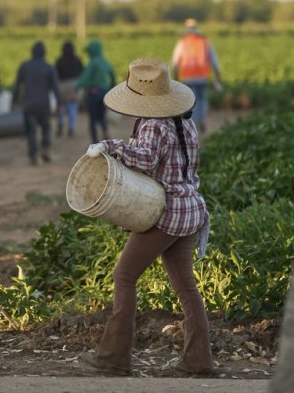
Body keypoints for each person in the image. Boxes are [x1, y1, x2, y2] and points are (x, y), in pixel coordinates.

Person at [79, 58, 215, 377]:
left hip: (166, 211)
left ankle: (114, 358)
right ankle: (199, 361)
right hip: (190, 208)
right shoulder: (184, 120)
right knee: (186, 287)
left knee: (124, 276)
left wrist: (109, 147)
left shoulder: (155, 123)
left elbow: (145, 157)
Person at [12, 41, 61, 165]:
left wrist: (14, 100)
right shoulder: (49, 67)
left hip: (29, 104)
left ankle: (33, 154)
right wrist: (59, 103)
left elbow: (17, 85)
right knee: (45, 127)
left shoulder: (25, 66)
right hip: (44, 104)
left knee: (31, 130)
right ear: (44, 53)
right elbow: (56, 87)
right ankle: (45, 148)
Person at [171, 18, 223, 134]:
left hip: (188, 78)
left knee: (192, 103)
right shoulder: (205, 42)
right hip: (203, 77)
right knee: (203, 100)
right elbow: (214, 61)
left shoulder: (182, 43)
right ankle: (203, 121)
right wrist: (217, 75)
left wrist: (175, 77)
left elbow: (175, 62)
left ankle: (193, 127)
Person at [74, 39, 116, 143]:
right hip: (104, 93)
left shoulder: (92, 63)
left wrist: (77, 87)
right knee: (102, 116)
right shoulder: (106, 62)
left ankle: (95, 141)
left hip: (93, 93)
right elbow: (113, 76)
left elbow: (85, 77)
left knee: (92, 119)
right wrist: (111, 89)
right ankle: (105, 133)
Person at [54, 40, 84, 138]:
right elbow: (82, 72)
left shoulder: (59, 60)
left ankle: (60, 123)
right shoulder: (77, 60)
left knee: (61, 106)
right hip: (74, 84)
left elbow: (56, 75)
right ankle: (71, 127)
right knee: (73, 107)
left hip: (62, 85)